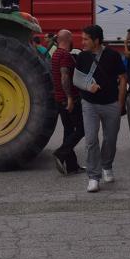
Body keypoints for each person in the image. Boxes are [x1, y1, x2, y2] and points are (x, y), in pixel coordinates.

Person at [75, 24, 127, 193]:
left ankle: (107, 166)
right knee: (91, 140)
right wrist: (88, 87)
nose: (82, 42)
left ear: (96, 40)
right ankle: (93, 177)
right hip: (89, 103)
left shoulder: (113, 55)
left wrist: (120, 103)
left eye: (85, 39)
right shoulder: (82, 56)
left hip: (111, 103)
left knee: (110, 139)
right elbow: (77, 80)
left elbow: (123, 78)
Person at [50, 30, 85, 175]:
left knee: (69, 130)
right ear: (69, 39)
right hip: (68, 99)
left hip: (59, 99)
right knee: (82, 129)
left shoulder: (56, 54)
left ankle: (72, 166)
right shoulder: (65, 55)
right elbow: (64, 76)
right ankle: (60, 153)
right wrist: (70, 98)